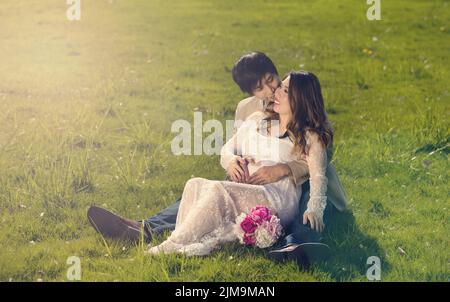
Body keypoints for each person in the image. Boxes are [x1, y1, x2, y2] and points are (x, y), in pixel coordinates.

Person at [87, 52, 348, 264]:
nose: (272, 90)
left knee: (303, 202)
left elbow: (318, 165)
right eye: (260, 88)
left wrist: (285, 168)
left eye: (273, 80)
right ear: (251, 92)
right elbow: (235, 148)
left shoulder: (304, 108)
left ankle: (297, 244)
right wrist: (236, 162)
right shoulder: (250, 112)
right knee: (201, 188)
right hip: (256, 182)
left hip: (295, 186)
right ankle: (145, 229)